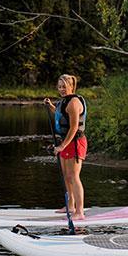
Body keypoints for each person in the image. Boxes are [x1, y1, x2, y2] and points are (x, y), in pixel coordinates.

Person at [44, 74, 88, 220]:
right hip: (65, 142)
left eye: (64, 86)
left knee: (74, 176)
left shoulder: (74, 102)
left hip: (74, 142)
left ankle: (79, 212)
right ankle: (70, 206)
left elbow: (74, 127)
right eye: (59, 87)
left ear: (71, 86)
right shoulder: (63, 101)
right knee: (66, 176)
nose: (61, 89)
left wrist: (62, 146)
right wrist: (50, 105)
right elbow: (59, 114)